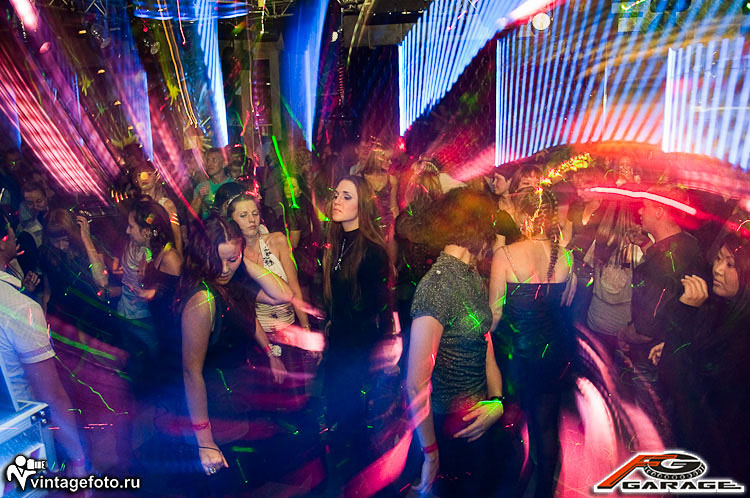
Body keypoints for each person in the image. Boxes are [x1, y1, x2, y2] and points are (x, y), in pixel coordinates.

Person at [407, 188, 507, 497]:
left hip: (480, 421)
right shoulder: (437, 286)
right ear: (477, 227)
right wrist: (431, 453)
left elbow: (485, 343)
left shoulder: (470, 274)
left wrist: (497, 401)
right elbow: (415, 383)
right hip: (450, 429)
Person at [177, 213, 292, 482]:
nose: (225, 269)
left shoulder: (231, 284)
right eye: (217, 260)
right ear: (203, 253)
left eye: (232, 260)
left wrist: (270, 353)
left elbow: (282, 296)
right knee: (226, 483)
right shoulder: (203, 299)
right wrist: (205, 442)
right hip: (213, 406)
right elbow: (191, 372)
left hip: (234, 395)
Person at [489, 188, 576, 498]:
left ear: (524, 216)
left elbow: (495, 313)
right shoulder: (565, 255)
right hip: (553, 352)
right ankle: (543, 491)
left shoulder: (505, 254)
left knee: (511, 421)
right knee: (547, 425)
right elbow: (564, 305)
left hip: (517, 355)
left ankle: (510, 486)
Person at [649, 233, 749, 484]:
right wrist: (673, 347)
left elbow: (687, 386)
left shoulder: (742, 334)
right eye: (719, 259)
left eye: (730, 264)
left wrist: (685, 311)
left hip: (719, 457)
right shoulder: (722, 308)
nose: (717, 269)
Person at [321, 175, 397, 485]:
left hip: (358, 350)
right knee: (336, 414)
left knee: (352, 419)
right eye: (336, 194)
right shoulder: (336, 242)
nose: (337, 200)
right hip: (339, 344)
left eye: (347, 196)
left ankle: (359, 480)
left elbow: (379, 308)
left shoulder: (372, 252)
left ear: (361, 206)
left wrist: (382, 352)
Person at [617, 185, 707, 443]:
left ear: (660, 211)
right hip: (676, 354)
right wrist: (647, 245)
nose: (640, 212)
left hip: (651, 358)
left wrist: (624, 335)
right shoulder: (689, 244)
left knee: (651, 428)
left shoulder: (658, 264)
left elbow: (645, 329)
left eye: (645, 206)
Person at [0, 214, 87, 475]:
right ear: (2, 241)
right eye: (10, 229)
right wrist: (78, 459)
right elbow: (51, 395)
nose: (15, 234)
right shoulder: (20, 308)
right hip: (21, 436)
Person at [224, 190, 313, 409]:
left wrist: (306, 327)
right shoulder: (233, 257)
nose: (251, 220)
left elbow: (294, 287)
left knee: (297, 397)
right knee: (267, 401)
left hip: (288, 332)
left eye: (254, 213)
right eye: (243, 215)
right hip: (258, 338)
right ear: (232, 221)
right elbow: (243, 308)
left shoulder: (277, 241)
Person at [117, 200, 181, 379]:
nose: (127, 231)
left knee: (160, 374)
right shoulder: (153, 251)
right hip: (157, 325)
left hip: (167, 334)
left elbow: (183, 295)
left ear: (145, 232)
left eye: (131, 226)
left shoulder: (170, 257)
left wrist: (155, 293)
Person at [130, 161, 183, 255]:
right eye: (139, 175)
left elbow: (177, 234)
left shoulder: (166, 204)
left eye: (149, 174)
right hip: (143, 255)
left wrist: (179, 255)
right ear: (136, 180)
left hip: (164, 252)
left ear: (156, 177)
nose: (144, 178)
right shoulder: (136, 205)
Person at [190, 148, 234, 219]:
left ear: (224, 164)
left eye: (214, 160)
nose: (209, 164)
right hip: (208, 225)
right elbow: (190, 217)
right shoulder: (201, 187)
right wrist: (199, 198)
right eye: (208, 160)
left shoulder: (233, 185)